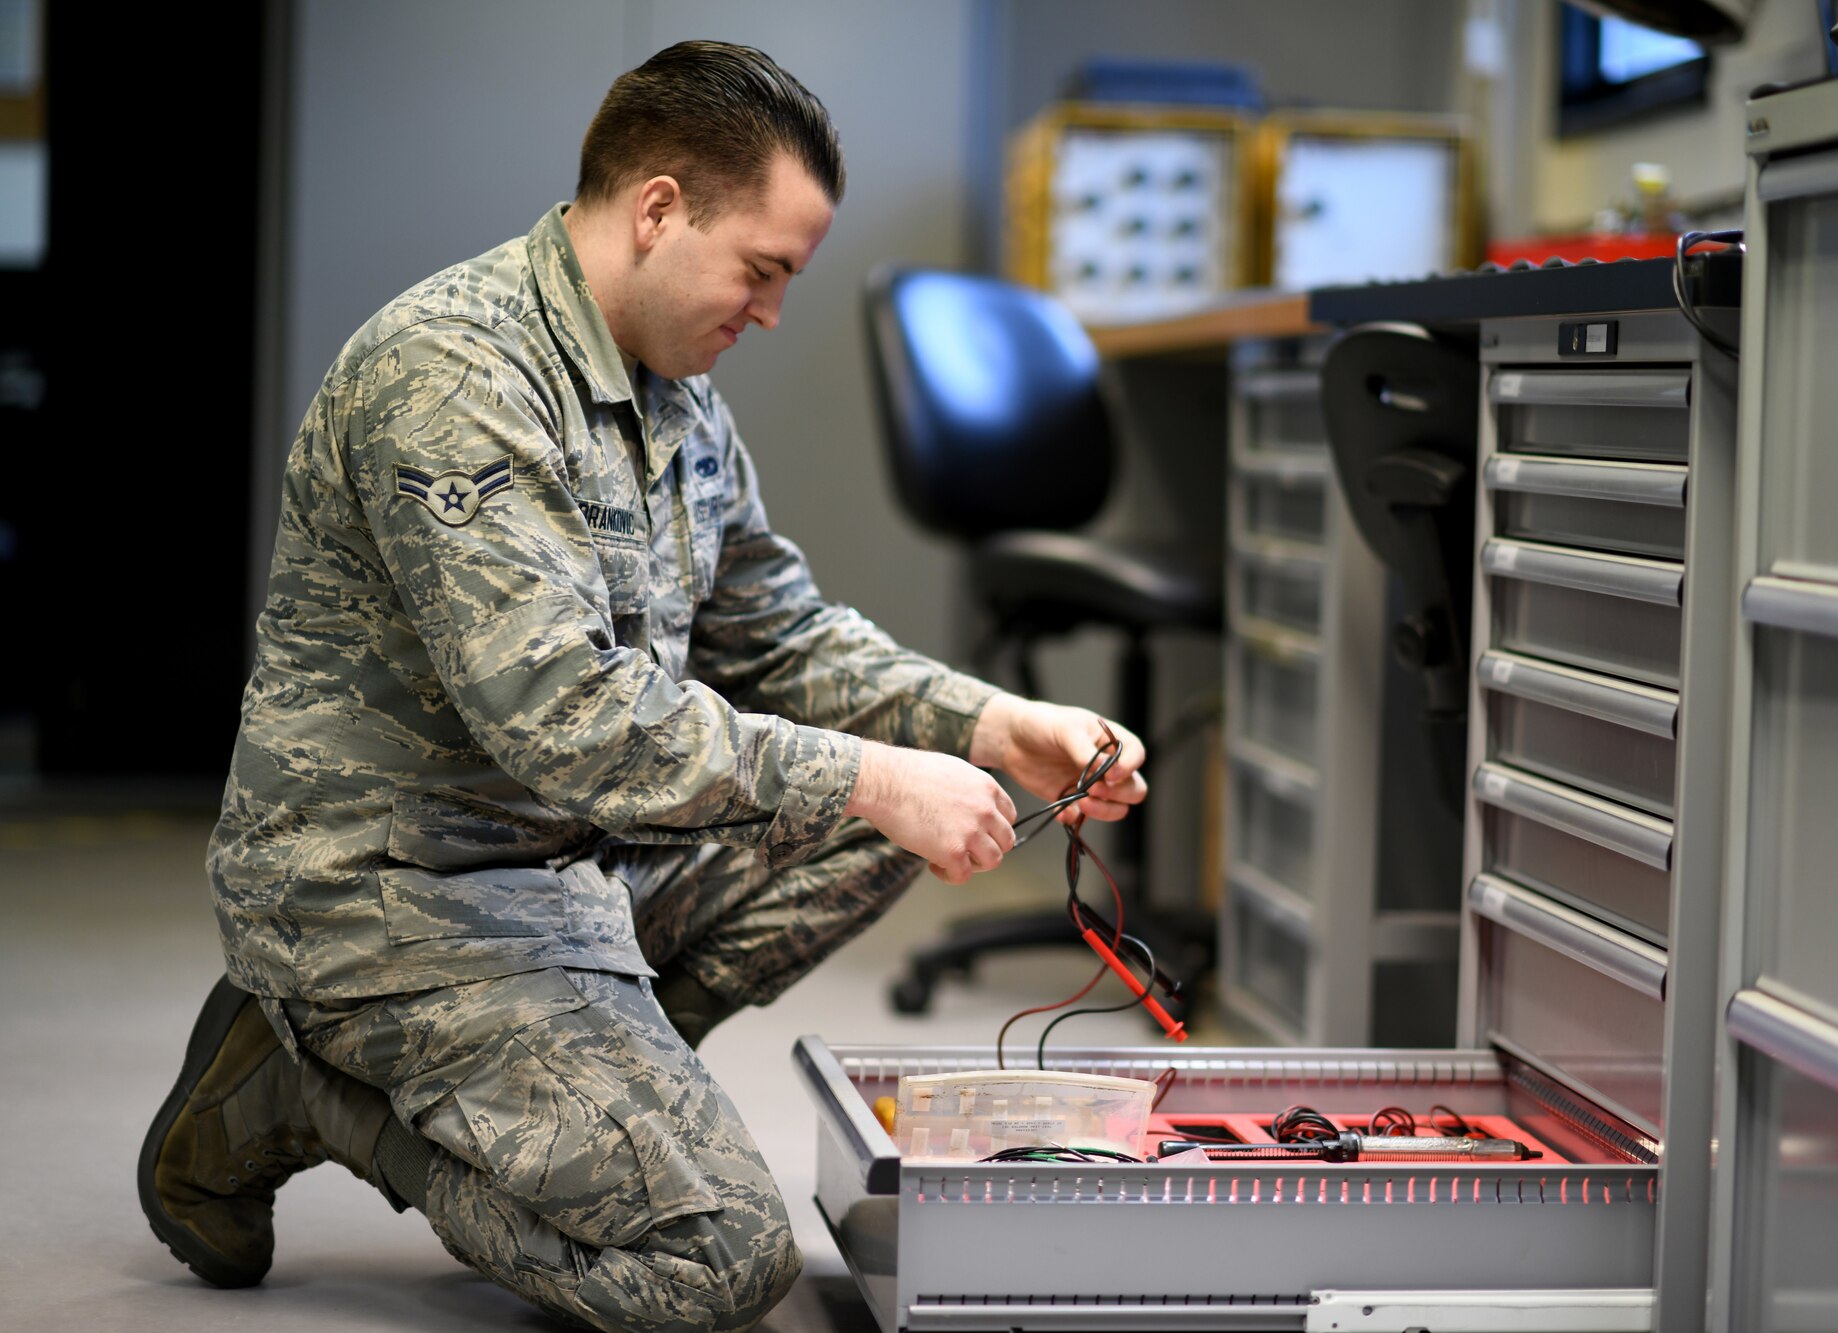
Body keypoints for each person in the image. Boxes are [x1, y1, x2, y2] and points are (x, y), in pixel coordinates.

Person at [136, 40, 1146, 1333]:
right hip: (389, 900)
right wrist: (882, 770)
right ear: (660, 209)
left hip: (562, 870)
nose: (773, 310)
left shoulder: (677, 401)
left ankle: (588, 1098)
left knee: (893, 813)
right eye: (764, 270)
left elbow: (782, 634)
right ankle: (312, 1086)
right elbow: (564, 717)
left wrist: (996, 724)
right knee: (716, 1261)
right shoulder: (458, 375)